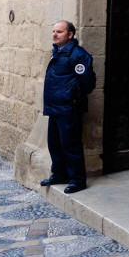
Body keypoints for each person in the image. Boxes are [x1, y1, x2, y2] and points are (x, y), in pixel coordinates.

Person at [40, 20, 96, 194]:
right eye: (54, 31)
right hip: (54, 106)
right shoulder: (57, 51)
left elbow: (87, 83)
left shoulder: (79, 55)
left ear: (70, 35)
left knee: (70, 145)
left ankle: (77, 180)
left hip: (68, 108)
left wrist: (72, 96)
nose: (55, 34)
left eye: (60, 32)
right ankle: (59, 174)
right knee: (54, 144)